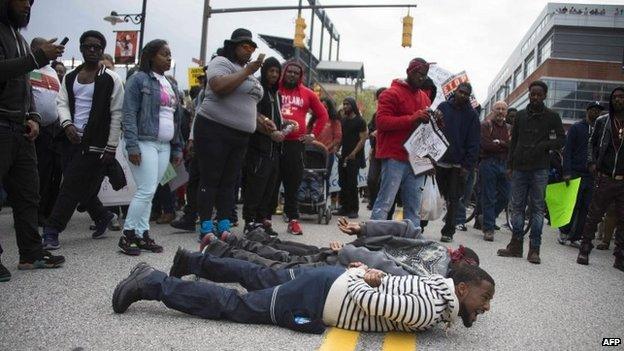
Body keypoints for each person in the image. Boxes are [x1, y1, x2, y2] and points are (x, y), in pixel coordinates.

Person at [112, 253, 494, 333]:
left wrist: (365, 275)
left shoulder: (435, 289)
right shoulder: (428, 308)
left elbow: (386, 287)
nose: (486, 307)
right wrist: (362, 278)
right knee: (236, 305)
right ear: (461, 289)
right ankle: (154, 282)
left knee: (261, 278)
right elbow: (372, 301)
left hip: (330, 285)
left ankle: (192, 263)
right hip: (324, 297)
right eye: (484, 299)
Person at [0, 0, 66, 281]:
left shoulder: (19, 37)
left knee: (29, 195)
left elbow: (25, 83)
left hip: (20, 127)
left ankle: (31, 253)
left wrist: (34, 116)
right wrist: (36, 58)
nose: (27, 5)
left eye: (31, 1)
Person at [42, 30, 124, 250]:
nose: (93, 50)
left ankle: (52, 229)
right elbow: (62, 103)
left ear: (102, 50)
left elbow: (117, 113)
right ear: (81, 48)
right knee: (78, 184)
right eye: (88, 46)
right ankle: (102, 216)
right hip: (70, 140)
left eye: (97, 47)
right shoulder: (70, 77)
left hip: (95, 144)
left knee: (69, 187)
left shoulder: (111, 79)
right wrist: (67, 124)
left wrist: (111, 146)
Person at [203, 217, 480, 278]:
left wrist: (359, 236)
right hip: (347, 262)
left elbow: (405, 230)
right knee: (282, 263)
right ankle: (224, 248)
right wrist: (360, 234)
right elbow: (402, 236)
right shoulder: (436, 269)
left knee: (284, 257)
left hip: (350, 261)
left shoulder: (438, 257)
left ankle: (229, 245)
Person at [194, 28, 268, 246]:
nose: (250, 50)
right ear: (234, 46)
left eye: (253, 47)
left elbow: (247, 103)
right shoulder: (221, 62)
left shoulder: (249, 73)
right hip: (214, 129)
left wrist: (262, 121)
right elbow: (218, 87)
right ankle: (206, 227)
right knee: (211, 179)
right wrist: (247, 72)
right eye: (245, 46)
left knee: (230, 182)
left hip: (240, 135)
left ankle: (224, 226)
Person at [118, 39, 183, 256]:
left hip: (164, 145)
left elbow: (176, 119)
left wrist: (176, 148)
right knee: (145, 190)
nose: (168, 58)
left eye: (170, 54)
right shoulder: (138, 80)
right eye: (164, 54)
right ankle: (128, 236)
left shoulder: (171, 84)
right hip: (144, 142)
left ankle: (142, 233)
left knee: (151, 191)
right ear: (151, 56)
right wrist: (133, 146)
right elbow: (128, 114)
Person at [498, 80, 565, 264]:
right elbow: (514, 142)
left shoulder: (552, 117)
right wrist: (510, 165)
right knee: (517, 207)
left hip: (540, 169)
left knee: (537, 209)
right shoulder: (519, 116)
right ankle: (516, 245)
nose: (535, 97)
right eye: (532, 94)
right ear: (529, 94)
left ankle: (534, 249)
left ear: (544, 96)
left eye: (539, 94)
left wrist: (545, 145)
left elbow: (561, 140)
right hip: (519, 167)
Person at [371, 58, 432, 227]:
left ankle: (411, 244)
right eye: (419, 74)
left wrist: (435, 122)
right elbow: (382, 122)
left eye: (425, 75)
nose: (422, 78)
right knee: (385, 202)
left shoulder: (425, 99)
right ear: (409, 72)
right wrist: (412, 118)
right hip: (394, 156)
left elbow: (426, 132)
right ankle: (374, 238)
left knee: (413, 207)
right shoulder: (390, 93)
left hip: (417, 158)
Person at [276, 61, 328, 235]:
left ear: (300, 76)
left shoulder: (307, 93)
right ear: (284, 72)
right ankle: (262, 221)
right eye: (289, 71)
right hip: (272, 142)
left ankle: (293, 220)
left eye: (295, 73)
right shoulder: (274, 88)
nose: (291, 75)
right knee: (269, 182)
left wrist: (312, 135)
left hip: (295, 144)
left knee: (293, 183)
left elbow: (323, 115)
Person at [577, 87, 624, 272]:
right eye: (616, 97)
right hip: (605, 177)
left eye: (622, 97)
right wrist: (591, 162)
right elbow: (592, 143)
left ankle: (620, 256)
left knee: (623, 219)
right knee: (593, 216)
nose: (619, 100)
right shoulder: (603, 121)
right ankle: (584, 249)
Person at [242, 57, 291, 236]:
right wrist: (270, 132)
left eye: (277, 72)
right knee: (255, 185)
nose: (274, 74)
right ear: (264, 72)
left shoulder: (275, 93)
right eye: (271, 71)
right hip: (259, 147)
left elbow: (274, 118)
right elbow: (252, 114)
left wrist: (286, 123)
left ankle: (263, 220)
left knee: (270, 187)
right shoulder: (258, 90)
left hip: (274, 149)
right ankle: (250, 222)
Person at [434, 83, 480, 243]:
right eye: (461, 92)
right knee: (430, 195)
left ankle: (448, 231)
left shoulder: (472, 115)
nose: (463, 96)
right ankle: (421, 225)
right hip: (439, 161)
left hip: (458, 165)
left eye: (466, 94)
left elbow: (474, 143)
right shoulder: (443, 107)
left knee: (454, 199)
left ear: (469, 96)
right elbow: (433, 130)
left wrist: (467, 166)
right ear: (455, 91)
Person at [558, 101, 603, 247]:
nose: (596, 113)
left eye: (598, 111)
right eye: (593, 110)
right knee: (572, 204)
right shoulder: (577, 128)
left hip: (591, 175)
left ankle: (576, 237)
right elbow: (568, 150)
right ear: (587, 111)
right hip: (575, 172)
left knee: (586, 206)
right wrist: (567, 172)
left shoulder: (601, 130)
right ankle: (564, 231)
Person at [29, 38, 63, 226]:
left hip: (52, 129)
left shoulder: (51, 72)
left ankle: (44, 211)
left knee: (49, 172)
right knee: (35, 173)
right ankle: (33, 213)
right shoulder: (28, 67)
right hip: (31, 128)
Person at [479, 101, 511, 241]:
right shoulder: (486, 125)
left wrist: (501, 143)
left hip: (505, 165)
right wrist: (504, 146)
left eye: (503, 109)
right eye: (498, 108)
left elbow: (512, 145)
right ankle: (488, 229)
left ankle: (486, 217)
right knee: (489, 197)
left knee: (506, 196)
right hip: (488, 164)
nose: (500, 111)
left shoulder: (510, 128)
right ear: (493, 110)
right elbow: (486, 145)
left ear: (506, 112)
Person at [335, 97, 368, 219]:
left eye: (347, 104)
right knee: (342, 182)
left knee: (352, 183)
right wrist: (337, 149)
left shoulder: (360, 121)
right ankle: (344, 207)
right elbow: (341, 138)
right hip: (343, 156)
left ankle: (354, 209)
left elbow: (363, 138)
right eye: (343, 104)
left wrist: (354, 152)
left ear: (353, 106)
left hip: (354, 157)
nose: (344, 106)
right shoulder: (343, 121)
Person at [312, 97, 341, 193]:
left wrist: (325, 149)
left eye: (325, 107)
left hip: (327, 154)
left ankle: (323, 201)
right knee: (312, 177)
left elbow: (337, 139)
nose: (323, 108)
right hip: (313, 154)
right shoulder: (314, 119)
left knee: (324, 178)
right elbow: (307, 134)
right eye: (321, 106)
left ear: (329, 108)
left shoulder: (334, 121)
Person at [366, 87, 387, 212]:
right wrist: (372, 134)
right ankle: (373, 202)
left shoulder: (394, 112)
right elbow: (370, 130)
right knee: (372, 179)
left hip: (389, 153)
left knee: (384, 182)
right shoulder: (376, 115)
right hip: (376, 151)